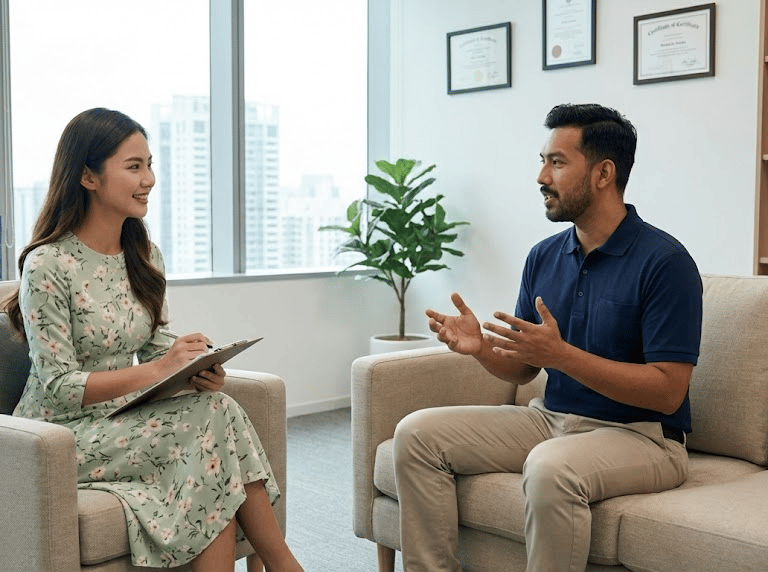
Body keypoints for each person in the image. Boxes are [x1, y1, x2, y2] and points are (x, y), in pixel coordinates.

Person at [394, 103, 703, 572]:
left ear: (603, 173)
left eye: (557, 162)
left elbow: (668, 391)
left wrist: (563, 356)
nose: (542, 176)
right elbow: (523, 369)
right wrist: (482, 350)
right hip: (552, 419)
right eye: (543, 160)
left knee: (550, 467)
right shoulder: (544, 256)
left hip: (645, 438)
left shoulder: (665, 262)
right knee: (416, 434)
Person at [3, 108, 303, 572]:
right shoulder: (48, 265)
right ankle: (285, 564)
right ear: (87, 176)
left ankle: (283, 564)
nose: (150, 179)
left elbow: (157, 343)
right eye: (134, 166)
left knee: (215, 410)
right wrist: (160, 370)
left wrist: (194, 365)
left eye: (150, 164)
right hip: (60, 435)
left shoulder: (144, 254)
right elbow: (60, 384)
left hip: (125, 417)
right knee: (209, 434)